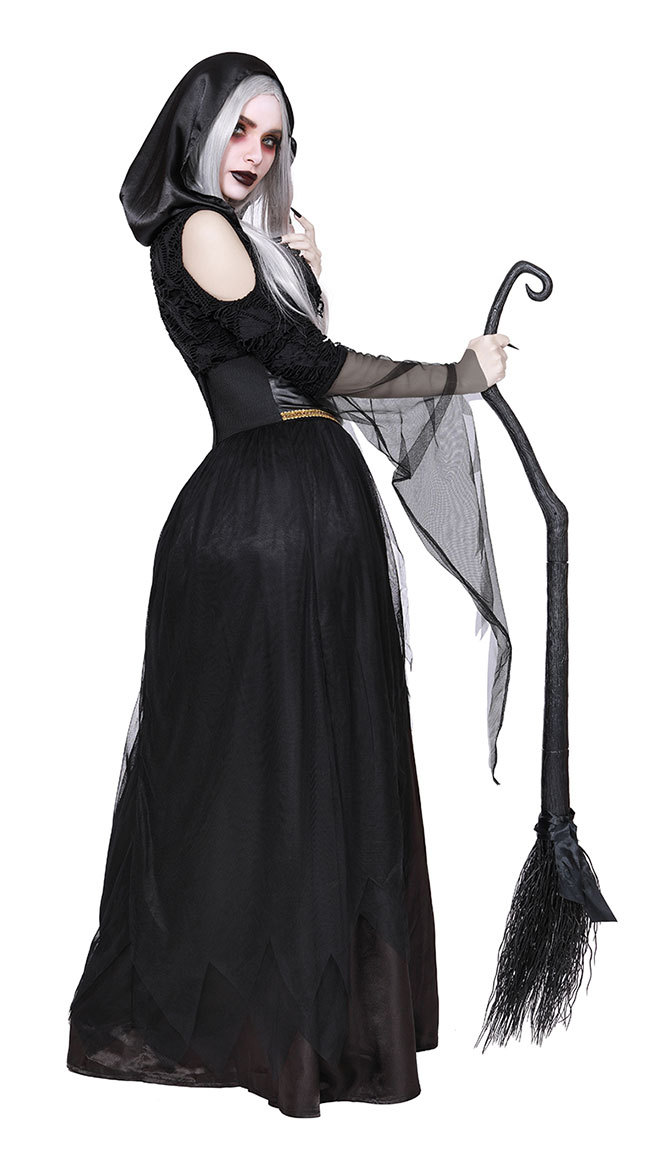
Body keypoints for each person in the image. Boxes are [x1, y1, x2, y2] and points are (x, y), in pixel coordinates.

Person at [66, 52, 511, 1119]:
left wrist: (308, 270)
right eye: (240, 129)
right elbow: (314, 371)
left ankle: (304, 1022)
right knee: (276, 764)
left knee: (305, 758)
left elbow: (292, 360)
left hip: (301, 503)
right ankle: (277, 1029)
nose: (257, 153)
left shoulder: (241, 239)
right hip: (268, 511)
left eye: (273, 139)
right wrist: (460, 375)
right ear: (196, 129)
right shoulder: (201, 231)